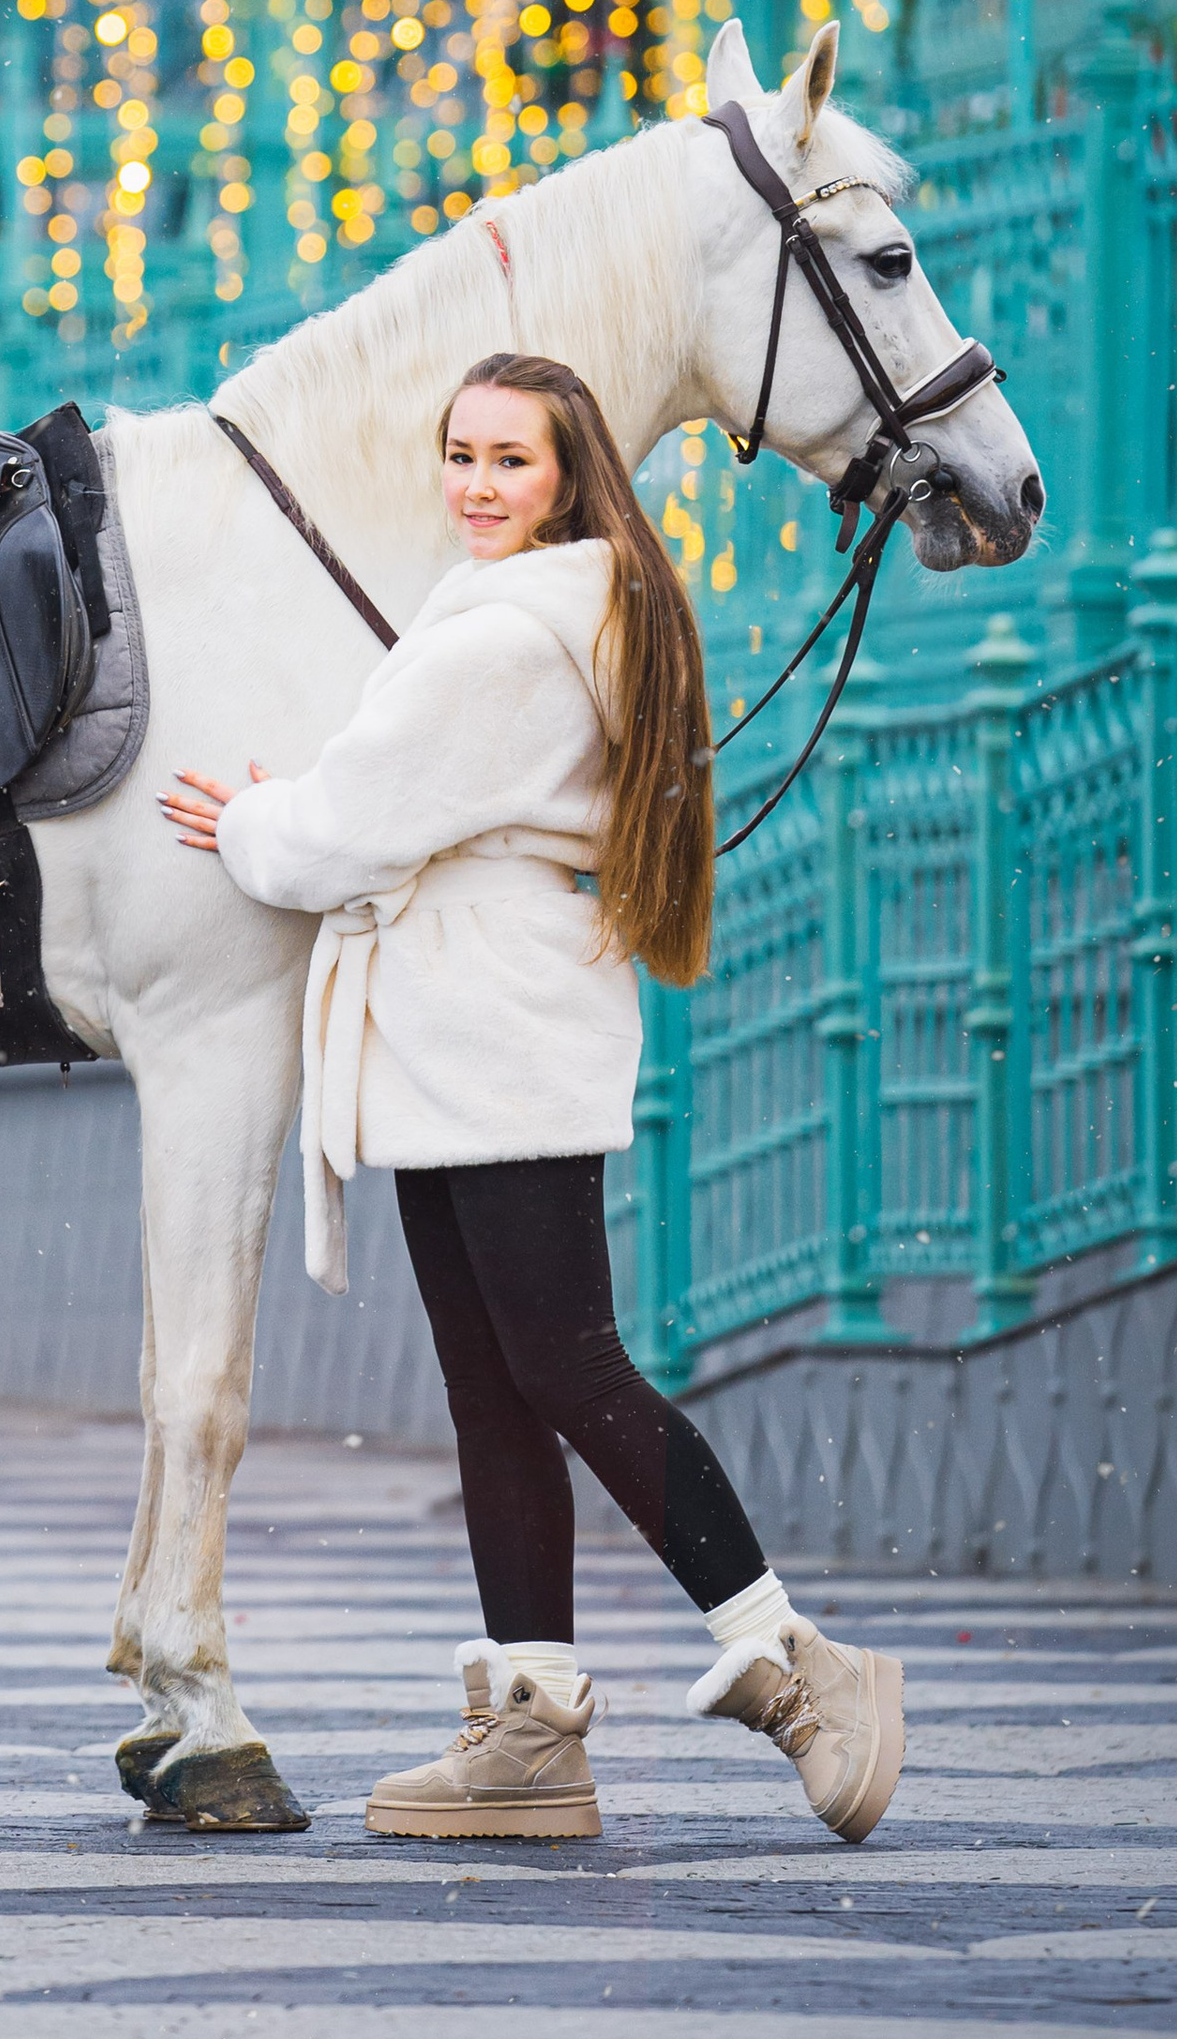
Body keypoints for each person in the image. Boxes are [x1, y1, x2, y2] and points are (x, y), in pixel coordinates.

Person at [161, 351, 904, 1849]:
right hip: (461, 1017)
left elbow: (342, 832)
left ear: (569, 473)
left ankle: (798, 1664)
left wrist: (248, 815)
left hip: (484, 1017)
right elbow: (398, 798)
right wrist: (310, 809)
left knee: (566, 1367)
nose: (478, 485)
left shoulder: (511, 630)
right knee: (498, 1387)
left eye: (511, 458)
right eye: (461, 455)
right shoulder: (558, 608)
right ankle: (531, 1730)